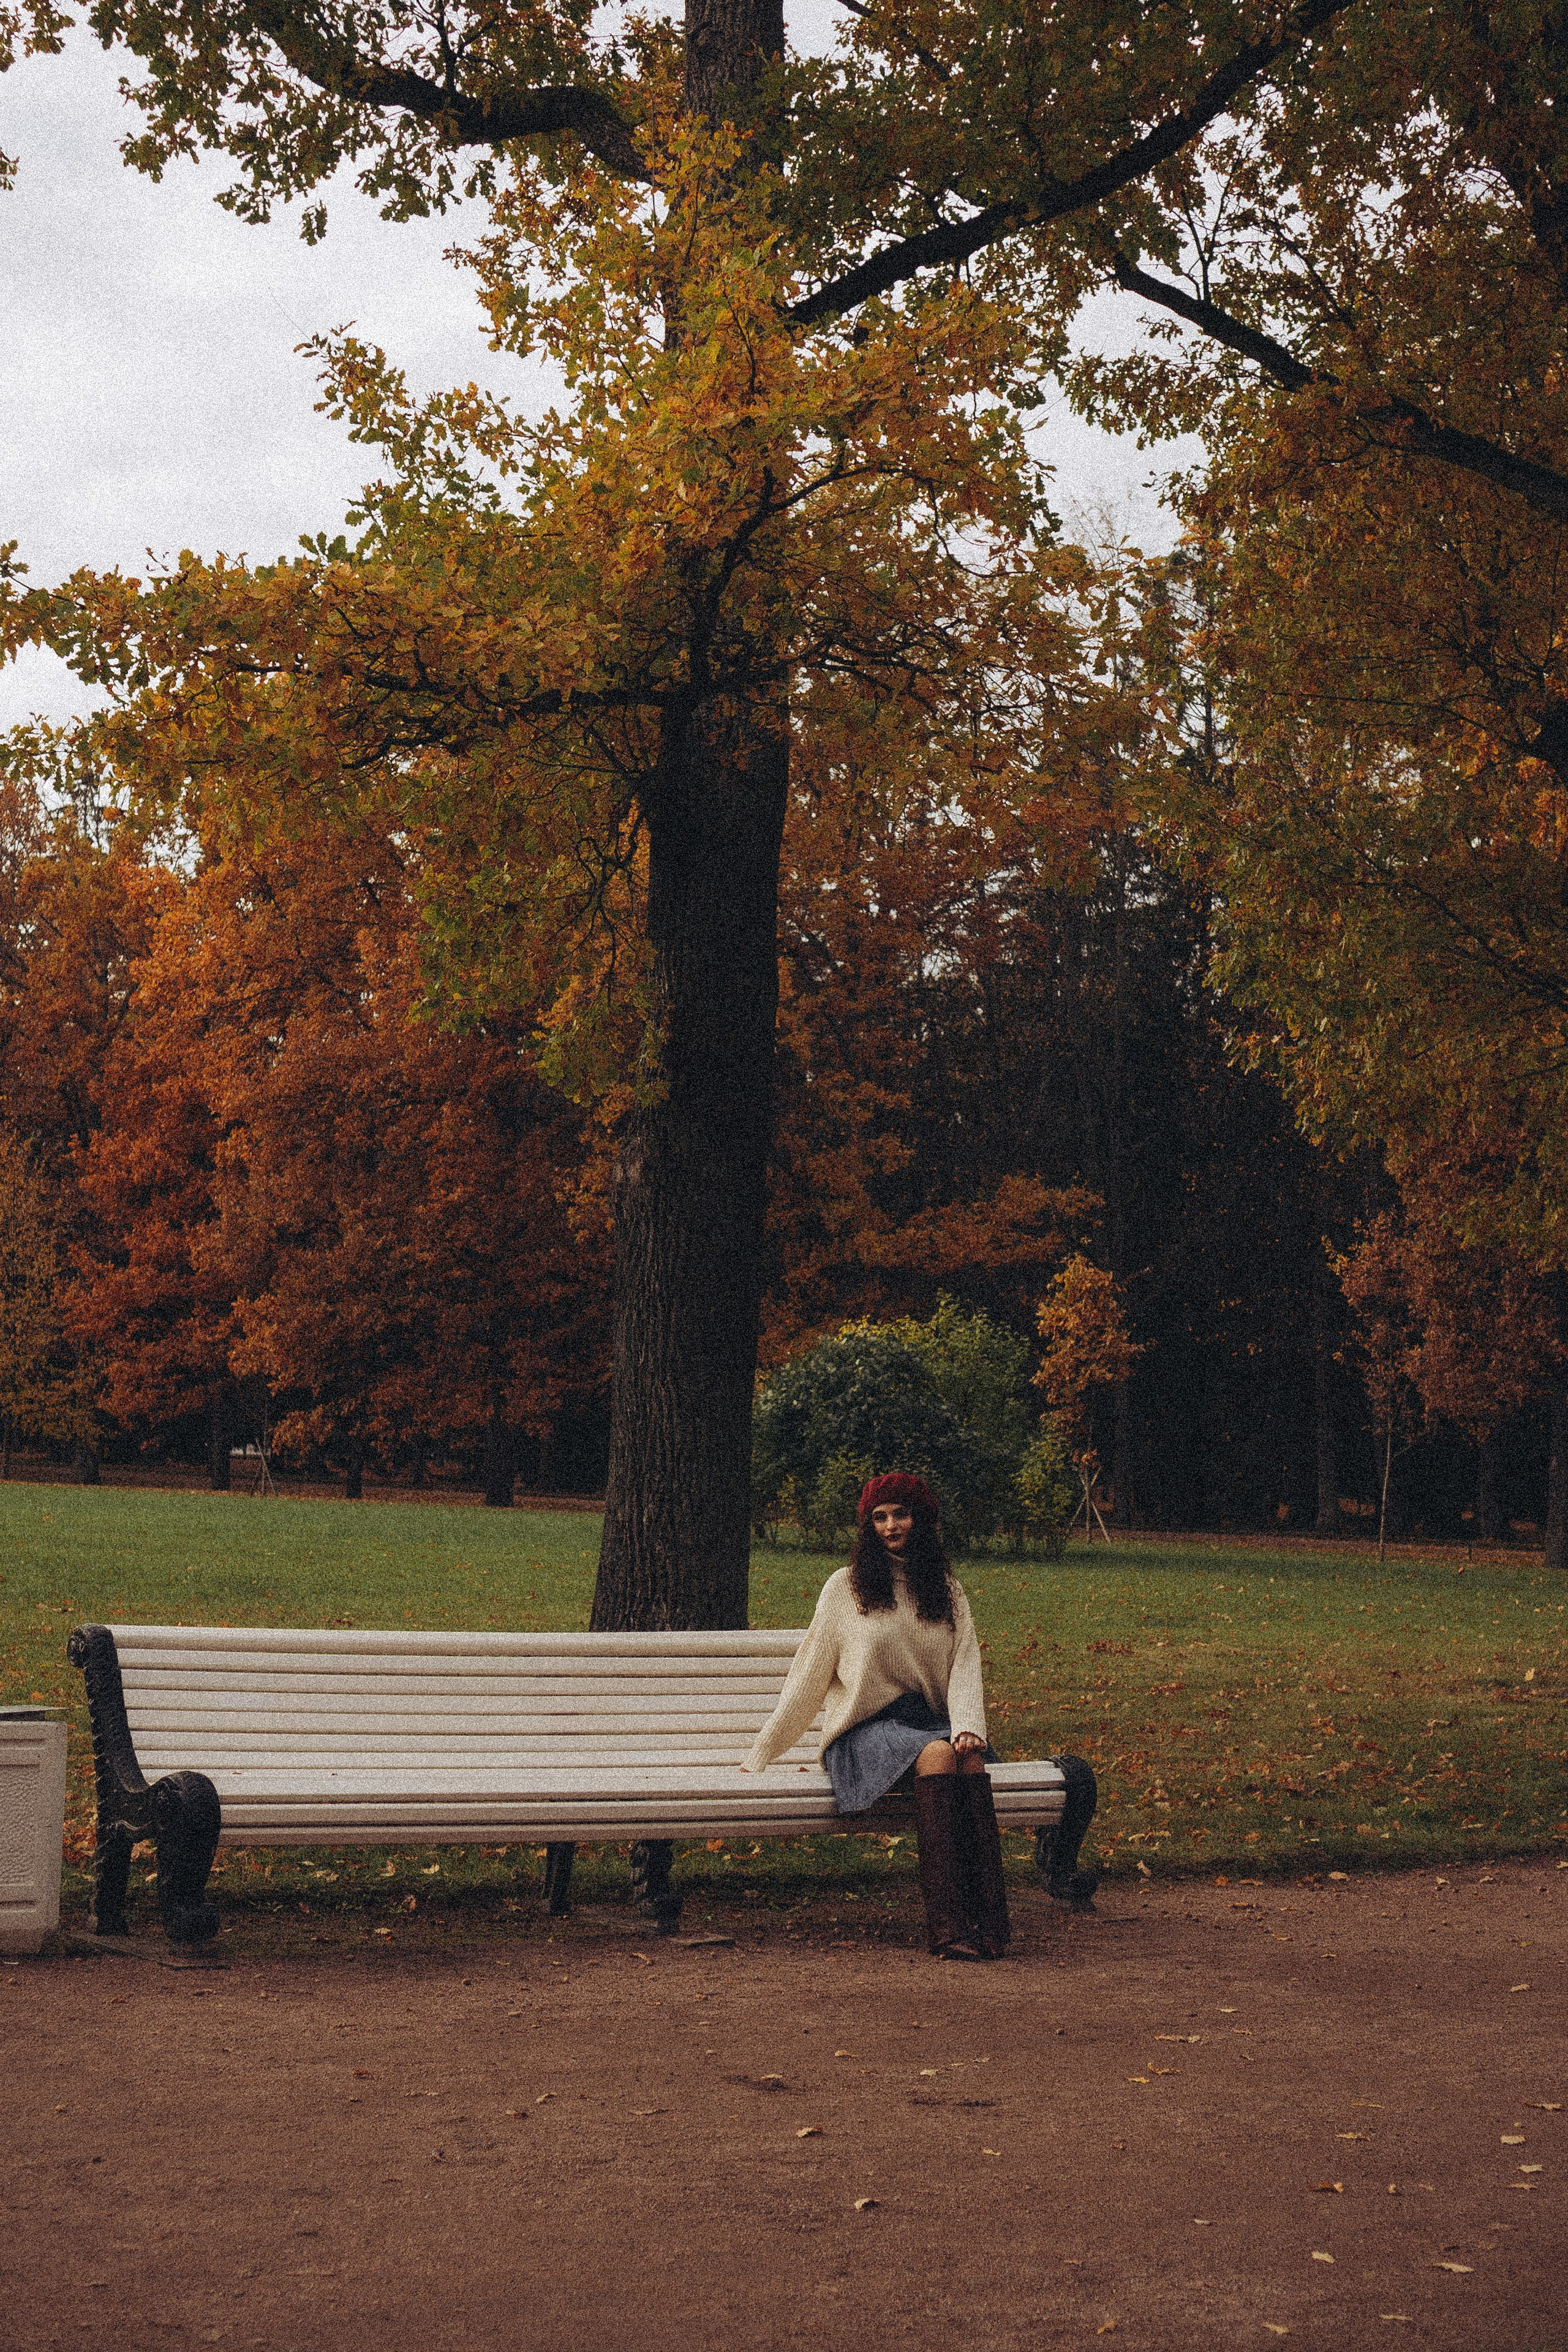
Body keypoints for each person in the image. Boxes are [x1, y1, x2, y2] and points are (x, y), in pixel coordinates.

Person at [741, 1470, 1009, 1959]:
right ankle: (947, 1928)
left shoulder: (946, 1590)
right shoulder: (845, 1588)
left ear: (921, 1519)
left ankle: (990, 1921)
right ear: (867, 1526)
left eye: (900, 1514)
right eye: (879, 1517)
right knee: (937, 1753)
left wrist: (969, 1726)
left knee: (967, 1758)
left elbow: (965, 1663)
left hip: (928, 1721)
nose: (890, 1526)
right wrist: (764, 1751)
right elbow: (809, 1677)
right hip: (863, 1731)